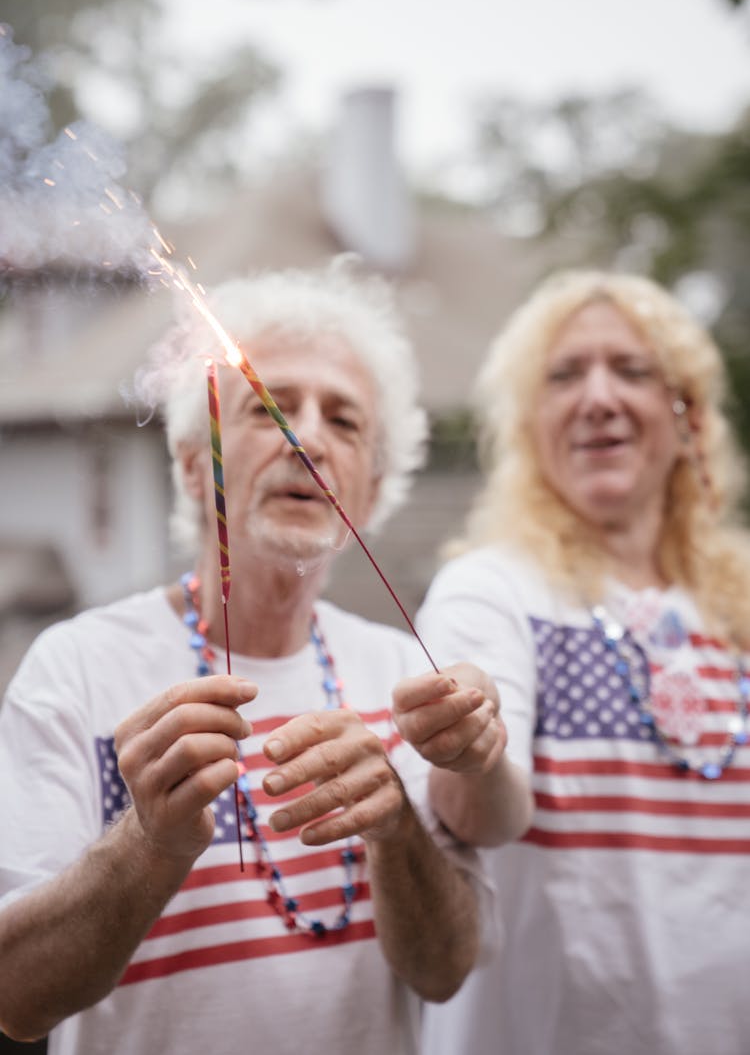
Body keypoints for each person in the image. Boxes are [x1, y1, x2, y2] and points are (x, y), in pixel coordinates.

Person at [0, 264, 495, 1055]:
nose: (307, 436)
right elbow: (16, 997)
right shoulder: (77, 666)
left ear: (367, 492)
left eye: (344, 419)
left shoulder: (409, 679)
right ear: (197, 468)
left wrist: (398, 828)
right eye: (270, 408)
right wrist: (149, 840)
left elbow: (443, 973)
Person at [392, 269, 750, 1055]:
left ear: (683, 408)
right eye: (564, 375)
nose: (598, 396)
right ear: (532, 422)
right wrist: (473, 750)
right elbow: (483, 815)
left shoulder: (740, 610)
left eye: (631, 368)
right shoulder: (493, 591)